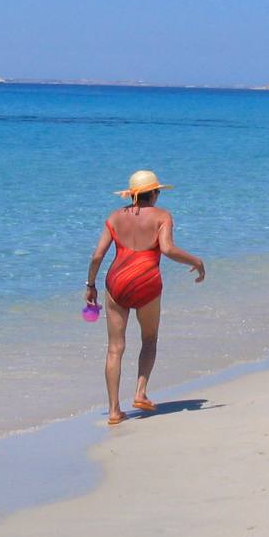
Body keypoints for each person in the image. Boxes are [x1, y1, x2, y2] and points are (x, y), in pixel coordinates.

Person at [85, 170, 205, 425]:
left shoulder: (115, 217)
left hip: (117, 282)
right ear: (155, 194)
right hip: (146, 281)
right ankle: (140, 392)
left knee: (115, 348)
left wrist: (91, 285)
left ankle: (114, 411)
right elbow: (168, 249)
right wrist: (197, 261)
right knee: (149, 339)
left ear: (132, 195)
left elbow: (97, 256)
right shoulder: (162, 216)